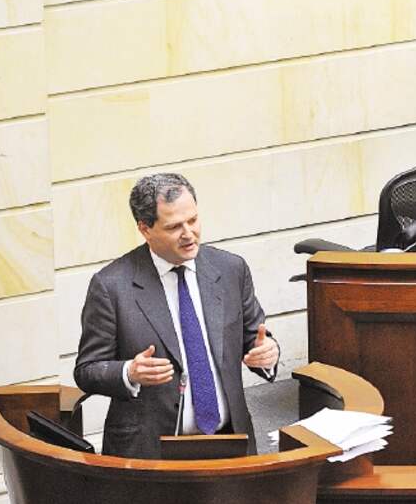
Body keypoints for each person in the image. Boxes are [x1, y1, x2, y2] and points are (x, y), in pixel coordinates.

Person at [74, 173, 279, 458]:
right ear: (145, 229)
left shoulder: (231, 269)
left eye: (193, 220)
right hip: (150, 452)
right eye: (173, 227)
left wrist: (268, 353)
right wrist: (129, 372)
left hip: (230, 444)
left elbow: (256, 340)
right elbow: (87, 370)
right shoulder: (111, 286)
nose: (188, 234)